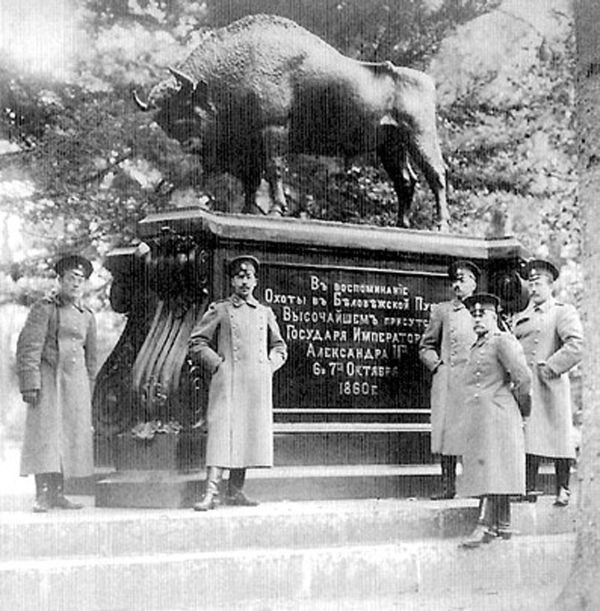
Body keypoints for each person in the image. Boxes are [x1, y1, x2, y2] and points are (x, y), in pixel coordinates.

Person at [188, 255, 287, 511]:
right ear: (232, 281)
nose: (244, 281)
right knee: (222, 434)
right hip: (227, 382)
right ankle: (211, 493)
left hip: (255, 384)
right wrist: (218, 365)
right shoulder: (220, 310)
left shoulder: (264, 313)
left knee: (247, 434)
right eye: (239, 276)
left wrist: (268, 365)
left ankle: (235, 491)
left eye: (249, 276)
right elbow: (197, 342)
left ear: (255, 281)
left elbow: (279, 346)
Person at [16, 254, 97, 513]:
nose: (75, 284)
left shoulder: (87, 316)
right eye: (71, 279)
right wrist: (30, 383)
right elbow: (28, 347)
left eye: (80, 280)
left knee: (70, 436)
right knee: (45, 436)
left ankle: (59, 492)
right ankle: (42, 494)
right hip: (48, 380)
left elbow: (91, 358)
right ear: (60, 280)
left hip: (75, 384)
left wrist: (90, 389)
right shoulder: (45, 308)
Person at [459, 294, 531, 548]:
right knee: (490, 467)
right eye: (474, 315)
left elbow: (523, 377)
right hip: (481, 417)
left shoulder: (503, 341)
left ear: (493, 316)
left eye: (482, 314)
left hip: (499, 416)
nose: (477, 319)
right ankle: (502, 524)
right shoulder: (477, 345)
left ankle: (484, 525)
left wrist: (520, 408)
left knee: (492, 469)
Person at [513, 259, 583, 507]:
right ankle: (527, 486)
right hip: (526, 385)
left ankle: (563, 487)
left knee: (558, 435)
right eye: (530, 284)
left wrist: (552, 367)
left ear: (550, 285)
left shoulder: (562, 311)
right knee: (528, 434)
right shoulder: (522, 316)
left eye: (538, 283)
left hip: (550, 383)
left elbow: (576, 345)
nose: (533, 288)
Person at [419, 259, 479, 499]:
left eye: (462, 280)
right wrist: (438, 366)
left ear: (474, 283)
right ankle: (448, 486)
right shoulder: (442, 311)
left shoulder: (483, 309)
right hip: (448, 381)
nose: (456, 285)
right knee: (447, 433)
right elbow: (425, 346)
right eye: (454, 280)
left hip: (475, 380)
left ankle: (475, 485)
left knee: (475, 433)